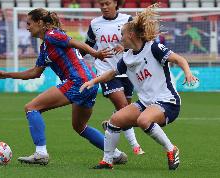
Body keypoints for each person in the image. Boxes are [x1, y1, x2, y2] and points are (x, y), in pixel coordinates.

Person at [0, 8, 127, 165]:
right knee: (79, 126)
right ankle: (115, 154)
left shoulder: (52, 35)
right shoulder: (44, 47)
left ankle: (41, 153)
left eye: (29, 23)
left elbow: (75, 42)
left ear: (40, 23)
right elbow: (35, 73)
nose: (27, 27)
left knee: (32, 108)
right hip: (88, 82)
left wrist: (95, 53)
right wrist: (6, 74)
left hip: (78, 81)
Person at [80, 4, 199, 170]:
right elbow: (112, 73)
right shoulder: (127, 57)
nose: (120, 38)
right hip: (145, 103)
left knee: (143, 120)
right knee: (115, 121)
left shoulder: (154, 47)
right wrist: (92, 81)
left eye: (122, 35)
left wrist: (187, 73)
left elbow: (180, 59)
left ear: (131, 34)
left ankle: (171, 149)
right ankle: (107, 161)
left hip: (167, 102)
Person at [81, 0, 144, 155]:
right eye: (101, 4)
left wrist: (125, 46)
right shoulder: (95, 23)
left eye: (107, 3)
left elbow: (139, 42)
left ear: (116, 3)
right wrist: (75, 60)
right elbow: (87, 45)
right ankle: (135, 146)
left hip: (127, 69)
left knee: (126, 112)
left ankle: (111, 125)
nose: (103, 6)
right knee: (123, 107)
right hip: (106, 71)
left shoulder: (128, 20)